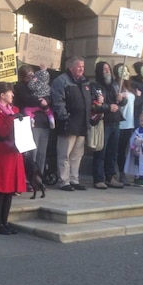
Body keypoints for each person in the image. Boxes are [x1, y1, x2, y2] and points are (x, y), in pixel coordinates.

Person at [0, 82, 26, 235]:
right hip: (1, 152)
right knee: (0, 189)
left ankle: (5, 221)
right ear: (2, 95)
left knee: (10, 190)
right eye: (10, 92)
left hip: (13, 152)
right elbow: (1, 131)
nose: (13, 95)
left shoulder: (14, 110)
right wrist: (13, 118)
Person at [50, 56, 91, 192]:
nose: (81, 69)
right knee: (64, 154)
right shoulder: (61, 81)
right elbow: (58, 101)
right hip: (68, 123)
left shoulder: (85, 82)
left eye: (83, 67)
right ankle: (64, 181)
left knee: (77, 155)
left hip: (81, 124)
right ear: (71, 67)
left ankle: (74, 179)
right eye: (79, 66)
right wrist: (64, 117)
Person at [13, 65, 52, 188]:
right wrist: (40, 102)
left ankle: (39, 178)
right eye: (27, 76)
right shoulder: (20, 87)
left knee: (42, 153)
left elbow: (48, 96)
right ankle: (29, 179)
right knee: (31, 153)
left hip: (43, 121)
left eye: (32, 74)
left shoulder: (39, 83)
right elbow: (27, 100)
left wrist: (45, 102)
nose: (31, 77)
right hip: (30, 122)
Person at [91, 61, 126, 189]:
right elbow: (94, 105)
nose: (107, 71)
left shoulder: (116, 85)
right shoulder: (95, 86)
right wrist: (107, 107)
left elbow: (122, 102)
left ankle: (111, 177)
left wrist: (122, 99)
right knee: (101, 151)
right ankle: (99, 178)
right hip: (103, 122)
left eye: (108, 69)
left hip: (115, 121)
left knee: (112, 152)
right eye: (104, 69)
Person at [115, 63, 136, 186]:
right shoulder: (116, 88)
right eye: (122, 71)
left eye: (127, 71)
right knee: (118, 150)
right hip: (120, 123)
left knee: (125, 150)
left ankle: (124, 172)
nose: (125, 74)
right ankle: (118, 173)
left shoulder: (130, 88)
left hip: (130, 123)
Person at [124, 110, 143, 185]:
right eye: (141, 121)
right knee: (137, 164)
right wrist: (132, 147)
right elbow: (132, 140)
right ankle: (138, 177)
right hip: (137, 152)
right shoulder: (137, 130)